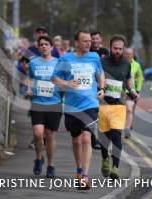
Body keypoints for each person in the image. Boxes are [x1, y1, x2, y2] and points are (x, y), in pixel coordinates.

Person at [52, 30, 105, 189]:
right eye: (85, 41)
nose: (89, 43)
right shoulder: (66, 58)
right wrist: (67, 83)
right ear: (77, 42)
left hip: (90, 104)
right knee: (76, 139)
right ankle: (79, 169)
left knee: (86, 139)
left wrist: (101, 88)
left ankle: (85, 175)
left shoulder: (94, 57)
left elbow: (100, 74)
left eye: (90, 41)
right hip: (72, 106)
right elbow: (54, 78)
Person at [98, 35, 138, 179]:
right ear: (110, 47)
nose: (117, 51)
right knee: (104, 139)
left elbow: (128, 81)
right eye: (115, 48)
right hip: (102, 105)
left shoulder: (127, 64)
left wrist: (133, 92)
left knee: (116, 137)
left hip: (118, 106)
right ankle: (104, 159)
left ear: (123, 49)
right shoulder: (101, 62)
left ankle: (115, 167)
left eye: (120, 49)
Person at [26, 36, 62, 178]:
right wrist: (28, 88)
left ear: (51, 47)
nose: (44, 46)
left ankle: (51, 165)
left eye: (47, 44)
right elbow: (29, 78)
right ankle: (39, 158)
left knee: (50, 136)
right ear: (39, 47)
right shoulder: (33, 63)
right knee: (38, 134)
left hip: (54, 104)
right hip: (38, 103)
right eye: (41, 44)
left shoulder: (59, 63)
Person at [124, 48, 143, 138]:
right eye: (126, 54)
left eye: (130, 54)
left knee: (129, 110)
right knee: (124, 110)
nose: (128, 56)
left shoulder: (136, 65)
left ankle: (127, 128)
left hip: (131, 91)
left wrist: (138, 90)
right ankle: (127, 124)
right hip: (121, 91)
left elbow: (140, 78)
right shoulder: (121, 63)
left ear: (133, 55)